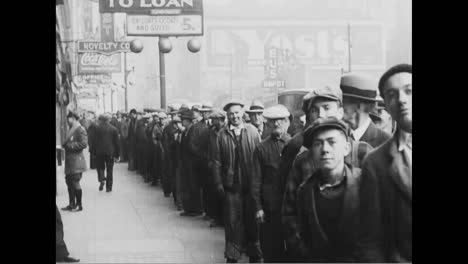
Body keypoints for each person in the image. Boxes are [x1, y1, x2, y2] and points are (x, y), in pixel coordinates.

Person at [280, 85, 373, 261]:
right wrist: (303, 252)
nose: (321, 115)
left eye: (327, 108)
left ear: (340, 112)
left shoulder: (363, 152)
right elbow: (289, 212)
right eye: (314, 110)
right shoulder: (302, 159)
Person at [355, 64, 412, 262]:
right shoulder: (376, 163)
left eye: (409, 91)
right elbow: (371, 240)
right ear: (386, 105)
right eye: (392, 94)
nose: (402, 99)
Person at [294, 117, 362, 262]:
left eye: (332, 142)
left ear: (346, 148)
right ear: (312, 152)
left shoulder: (364, 183)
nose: (325, 149)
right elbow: (303, 239)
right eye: (318, 144)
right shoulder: (305, 192)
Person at [213, 101, 263, 263]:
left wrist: (258, 184)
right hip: (232, 187)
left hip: (251, 186)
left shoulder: (253, 132)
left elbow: (259, 159)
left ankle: (254, 255)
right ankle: (233, 256)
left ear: (242, 114)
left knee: (252, 223)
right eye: (231, 114)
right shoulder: (222, 135)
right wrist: (219, 184)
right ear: (227, 116)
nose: (234, 116)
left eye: (237, 113)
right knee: (233, 223)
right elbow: (216, 162)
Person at [251, 104, 292, 263]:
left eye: (280, 120)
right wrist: (258, 208)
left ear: (287, 121)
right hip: (269, 209)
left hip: (290, 206)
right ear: (267, 124)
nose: (276, 124)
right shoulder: (261, 148)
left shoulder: (294, 145)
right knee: (270, 248)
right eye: (273, 121)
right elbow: (255, 180)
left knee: (291, 247)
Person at [340, 73, 391, 148]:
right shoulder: (339, 137)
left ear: (359, 106)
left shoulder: (386, 142)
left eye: (343, 102)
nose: (340, 107)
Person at [61, 111, 88, 212]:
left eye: (69, 118)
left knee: (75, 182)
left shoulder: (80, 129)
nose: (67, 121)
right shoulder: (71, 128)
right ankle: (72, 203)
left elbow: (84, 144)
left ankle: (79, 205)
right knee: (69, 182)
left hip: (76, 161)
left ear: (73, 118)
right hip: (70, 161)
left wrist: (70, 146)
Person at [179, 110, 204, 216]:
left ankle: (196, 209)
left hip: (193, 164)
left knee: (193, 186)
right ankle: (189, 208)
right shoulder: (186, 131)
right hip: (187, 163)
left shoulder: (193, 130)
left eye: (183, 119)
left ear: (188, 120)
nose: (181, 121)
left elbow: (193, 147)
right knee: (188, 186)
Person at [192, 104, 214, 221]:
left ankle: (213, 212)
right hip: (203, 162)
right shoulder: (197, 127)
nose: (206, 114)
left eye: (208, 111)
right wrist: (203, 156)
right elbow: (194, 145)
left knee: (212, 188)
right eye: (204, 112)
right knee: (205, 188)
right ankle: (207, 211)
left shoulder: (213, 126)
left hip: (214, 161)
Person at [207, 109, 227, 227]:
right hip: (214, 164)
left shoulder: (225, 131)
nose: (212, 121)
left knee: (224, 194)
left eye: (214, 119)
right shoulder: (212, 131)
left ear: (220, 120)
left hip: (223, 165)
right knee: (215, 192)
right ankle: (217, 218)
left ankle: (223, 219)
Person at [93, 113, 120, 192]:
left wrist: (94, 152)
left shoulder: (97, 129)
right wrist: (117, 155)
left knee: (100, 167)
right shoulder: (114, 129)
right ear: (108, 120)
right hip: (110, 153)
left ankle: (102, 180)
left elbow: (94, 141)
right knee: (109, 170)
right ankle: (109, 188)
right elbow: (117, 143)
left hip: (99, 152)